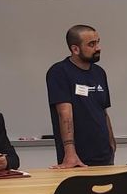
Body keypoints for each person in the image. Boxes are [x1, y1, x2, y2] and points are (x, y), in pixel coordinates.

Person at [46, 24, 116, 168]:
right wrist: (70, 153)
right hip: (78, 158)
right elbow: (64, 113)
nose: (98, 48)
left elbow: (103, 111)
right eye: (91, 44)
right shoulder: (59, 72)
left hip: (104, 154)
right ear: (75, 49)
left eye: (98, 42)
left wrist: (112, 143)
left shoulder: (99, 72)